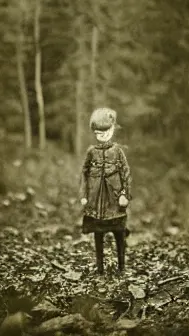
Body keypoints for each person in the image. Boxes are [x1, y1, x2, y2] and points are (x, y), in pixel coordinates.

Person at [79, 108, 132, 274]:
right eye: (98, 133)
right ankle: (100, 269)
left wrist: (125, 193)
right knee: (98, 234)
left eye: (105, 132)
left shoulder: (117, 151)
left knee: (119, 232)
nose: (102, 136)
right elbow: (84, 173)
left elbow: (126, 173)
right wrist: (83, 195)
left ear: (112, 129)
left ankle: (122, 267)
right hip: (96, 202)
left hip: (115, 200)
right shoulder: (91, 152)